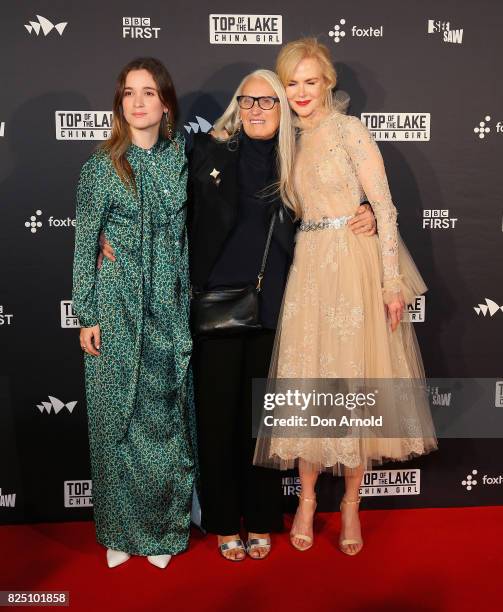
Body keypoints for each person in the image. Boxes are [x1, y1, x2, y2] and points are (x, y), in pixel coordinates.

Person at [101, 68, 376, 562]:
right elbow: (152, 186)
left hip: (283, 310)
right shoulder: (207, 151)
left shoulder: (302, 160)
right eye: (247, 101)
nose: (256, 110)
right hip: (216, 308)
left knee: (263, 425)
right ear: (236, 106)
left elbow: (341, 197)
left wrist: (368, 213)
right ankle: (226, 520)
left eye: (268, 102)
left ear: (283, 109)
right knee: (218, 421)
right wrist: (110, 231)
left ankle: (264, 518)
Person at [253, 39, 437, 556]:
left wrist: (391, 281)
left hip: (353, 266)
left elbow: (384, 205)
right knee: (312, 382)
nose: (302, 92)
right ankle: (308, 499)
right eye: (292, 83)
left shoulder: (349, 132)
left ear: (328, 83)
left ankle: (352, 503)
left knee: (357, 383)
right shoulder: (283, 138)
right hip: (309, 268)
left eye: (311, 81)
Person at [72, 57, 196, 569]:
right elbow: (84, 245)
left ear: (166, 103)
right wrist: (87, 313)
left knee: (164, 422)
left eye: (149, 92)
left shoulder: (182, 160)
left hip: (169, 308)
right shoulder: (101, 167)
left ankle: (163, 532)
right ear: (119, 103)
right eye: (129, 93)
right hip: (116, 308)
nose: (138, 101)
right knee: (113, 424)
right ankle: (119, 532)